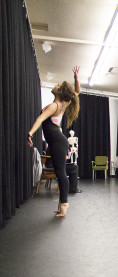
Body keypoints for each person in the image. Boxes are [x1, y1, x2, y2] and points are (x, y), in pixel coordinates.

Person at [28, 66, 81, 217]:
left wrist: (31, 132)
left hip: (58, 142)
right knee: (60, 173)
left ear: (60, 92)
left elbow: (40, 119)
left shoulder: (55, 106)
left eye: (57, 85)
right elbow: (76, 92)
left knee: (61, 173)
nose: (55, 86)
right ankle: (61, 204)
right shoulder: (62, 105)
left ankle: (64, 204)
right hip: (58, 141)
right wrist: (76, 78)